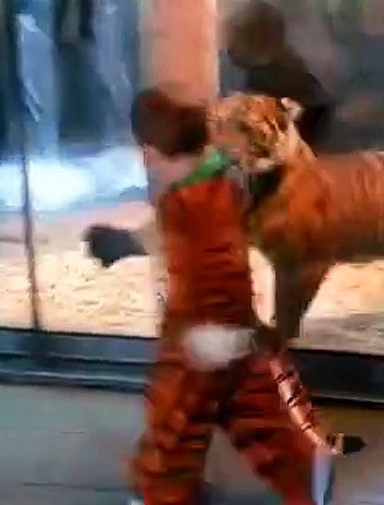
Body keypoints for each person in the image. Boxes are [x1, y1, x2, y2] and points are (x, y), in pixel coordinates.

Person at [88, 87, 361, 505]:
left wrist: (115, 244)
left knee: (174, 422)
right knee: (254, 414)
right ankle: (306, 469)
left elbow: (191, 254)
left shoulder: (183, 200)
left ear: (150, 152)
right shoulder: (222, 182)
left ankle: (162, 495)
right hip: (235, 323)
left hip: (200, 331)